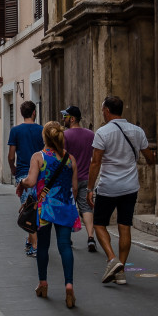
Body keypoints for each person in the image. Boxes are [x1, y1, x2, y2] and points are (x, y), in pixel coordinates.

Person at [86, 95, 157, 285]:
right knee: (124, 226)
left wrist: (90, 188)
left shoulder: (102, 133)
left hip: (109, 186)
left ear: (107, 110)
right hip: (130, 186)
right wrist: (152, 158)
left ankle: (112, 259)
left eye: (102, 109)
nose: (102, 112)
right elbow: (149, 157)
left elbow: (95, 162)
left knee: (99, 224)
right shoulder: (136, 131)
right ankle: (121, 271)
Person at [17, 121, 81, 309]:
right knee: (65, 247)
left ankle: (43, 284)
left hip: (45, 209)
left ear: (44, 137)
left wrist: (21, 182)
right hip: (66, 207)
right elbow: (75, 188)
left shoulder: (39, 157)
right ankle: (69, 285)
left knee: (43, 247)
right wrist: (69, 203)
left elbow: (31, 181)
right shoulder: (71, 159)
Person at [8, 100, 44, 257]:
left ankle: (35, 245)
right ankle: (30, 241)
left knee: (28, 210)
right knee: (34, 209)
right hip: (41, 174)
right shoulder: (42, 130)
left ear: (22, 114)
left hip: (23, 174)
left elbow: (11, 156)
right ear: (34, 112)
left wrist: (13, 169)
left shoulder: (15, 131)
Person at [61, 106, 97, 252]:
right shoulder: (90, 135)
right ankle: (90, 237)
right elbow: (95, 156)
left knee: (69, 206)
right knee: (87, 208)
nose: (64, 119)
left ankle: (68, 238)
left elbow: (63, 158)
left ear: (72, 118)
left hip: (71, 178)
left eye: (66, 116)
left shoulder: (65, 135)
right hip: (86, 177)